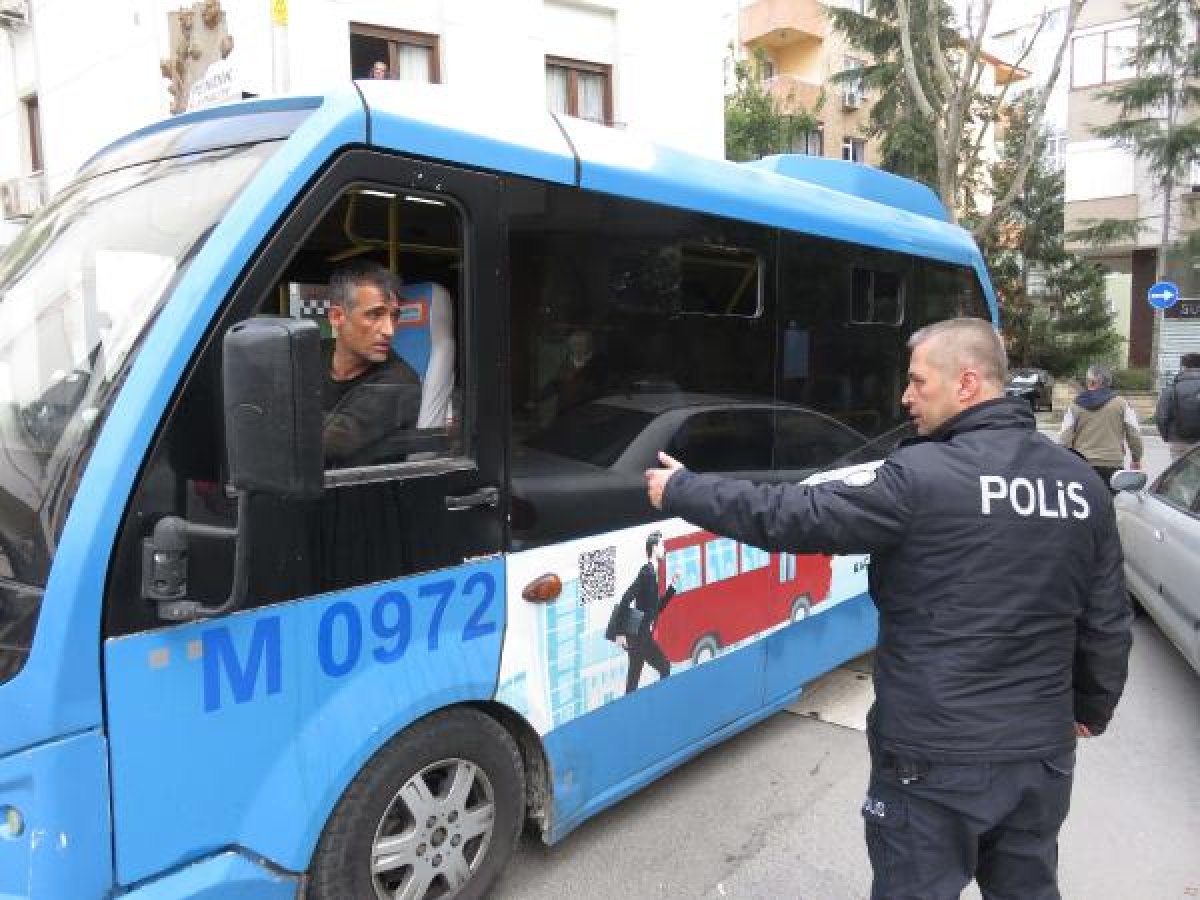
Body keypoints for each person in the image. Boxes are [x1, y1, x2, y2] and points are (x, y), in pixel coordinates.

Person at [644, 318, 1132, 900]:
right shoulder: (1080, 484)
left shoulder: (920, 478)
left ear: (968, 384)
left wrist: (683, 491)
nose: (905, 397)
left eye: (917, 381)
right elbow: (1107, 622)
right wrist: (1092, 708)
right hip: (1040, 756)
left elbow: (796, 515)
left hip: (933, 757)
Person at [321, 262, 421, 467]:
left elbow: (334, 442)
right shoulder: (310, 354)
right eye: (375, 314)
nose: (390, 330)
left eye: (394, 316)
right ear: (337, 317)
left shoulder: (400, 380)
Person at [606, 531, 677, 694]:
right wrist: (620, 632)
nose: (664, 548)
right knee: (662, 668)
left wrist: (672, 587)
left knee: (636, 682)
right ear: (654, 547)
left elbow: (656, 609)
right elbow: (626, 598)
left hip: (643, 637)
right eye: (662, 545)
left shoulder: (653, 574)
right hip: (638, 638)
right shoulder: (646, 572)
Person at [1059, 363, 1143, 486]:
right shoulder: (1122, 404)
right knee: (1109, 501)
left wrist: (1065, 462)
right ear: (1108, 382)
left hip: (1083, 464)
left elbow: (1064, 439)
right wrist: (1136, 459)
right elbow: (1134, 435)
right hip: (1113, 464)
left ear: (1091, 382)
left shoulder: (1075, 405)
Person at [1155, 352, 1200, 460]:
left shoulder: (1172, 389)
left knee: (1180, 474)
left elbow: (1161, 416)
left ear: (1183, 367)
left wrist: (1168, 436)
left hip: (1178, 440)